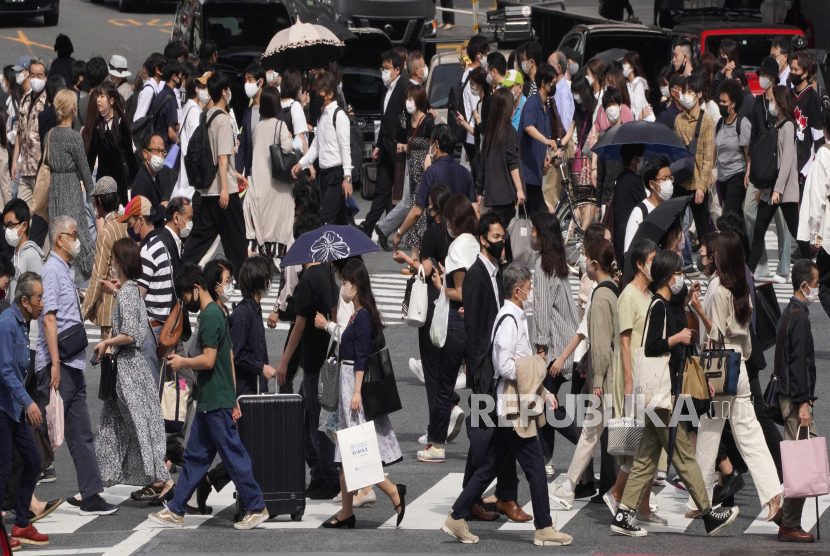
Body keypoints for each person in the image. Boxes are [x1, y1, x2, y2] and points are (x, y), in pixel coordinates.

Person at [610, 249, 739, 537]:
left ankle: (624, 515)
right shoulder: (657, 306)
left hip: (662, 396)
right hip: (660, 397)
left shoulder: (667, 303)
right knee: (682, 455)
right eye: (678, 273)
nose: (681, 276)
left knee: (644, 459)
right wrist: (676, 338)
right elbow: (652, 346)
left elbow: (677, 317)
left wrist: (688, 299)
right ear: (669, 278)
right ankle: (708, 514)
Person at [443, 262, 573, 547]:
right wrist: (536, 370)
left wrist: (542, 389)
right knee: (536, 466)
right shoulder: (510, 319)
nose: (531, 293)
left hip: (513, 405)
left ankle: (456, 515)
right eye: (528, 288)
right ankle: (544, 528)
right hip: (513, 409)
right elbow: (504, 367)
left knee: (490, 465)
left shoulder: (512, 316)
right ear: (517, 291)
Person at [149, 263, 269, 530]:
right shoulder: (214, 313)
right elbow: (228, 356)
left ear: (195, 288)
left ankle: (257, 505)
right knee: (195, 456)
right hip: (213, 397)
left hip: (215, 398)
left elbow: (211, 359)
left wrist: (183, 362)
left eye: (185, 296)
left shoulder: (211, 315)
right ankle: (177, 508)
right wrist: (234, 395)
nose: (185, 302)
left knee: (232, 453)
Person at [689, 231, 782, 517]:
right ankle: (773, 494)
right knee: (745, 434)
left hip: (719, 372)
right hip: (738, 367)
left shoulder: (719, 292)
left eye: (712, 253)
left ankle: (700, 500)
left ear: (720, 257)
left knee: (708, 434)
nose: (709, 257)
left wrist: (697, 310)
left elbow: (715, 337)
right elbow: (745, 339)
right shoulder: (741, 288)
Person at [36, 216, 118, 515]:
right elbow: (49, 318)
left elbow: (70, 314)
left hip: (72, 363)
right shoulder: (51, 272)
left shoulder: (65, 271)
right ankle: (15, 495)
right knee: (42, 436)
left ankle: (92, 494)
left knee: (80, 432)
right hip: (59, 366)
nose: (77, 239)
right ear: (59, 239)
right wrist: (55, 364)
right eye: (73, 234)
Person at [322, 259, 406, 527]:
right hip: (349, 383)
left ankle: (394, 491)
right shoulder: (359, 315)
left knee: (356, 452)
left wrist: (356, 392)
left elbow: (360, 359)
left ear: (355, 287)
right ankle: (347, 512)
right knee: (346, 453)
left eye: (345, 282)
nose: (343, 285)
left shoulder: (363, 318)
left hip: (352, 385)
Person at [91, 238, 174, 501]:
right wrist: (117, 290)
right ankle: (98, 480)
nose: (112, 263)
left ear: (120, 262)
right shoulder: (132, 289)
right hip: (133, 368)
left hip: (128, 369)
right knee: (124, 424)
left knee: (135, 424)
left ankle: (161, 477)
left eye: (114, 259)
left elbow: (130, 335)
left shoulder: (128, 292)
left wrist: (105, 342)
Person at [549, 235, 621, 510]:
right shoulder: (611, 288)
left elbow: (600, 343)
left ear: (593, 263)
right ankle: (571, 485)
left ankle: (623, 495)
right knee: (593, 433)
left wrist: (598, 380)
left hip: (608, 377)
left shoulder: (601, 294)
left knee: (616, 438)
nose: (581, 261)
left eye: (583, 256)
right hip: (613, 375)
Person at [274, 216, 340, 500]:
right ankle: (320, 474)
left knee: (316, 423)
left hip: (313, 364)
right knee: (311, 419)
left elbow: (299, 325)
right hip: (327, 357)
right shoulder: (328, 272)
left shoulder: (308, 279)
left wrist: (284, 363)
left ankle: (326, 477)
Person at [417, 196, 483, 464]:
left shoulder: (456, 247)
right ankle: (482, 441)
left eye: (446, 219)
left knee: (444, 385)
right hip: (477, 321)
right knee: (479, 386)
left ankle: (436, 444)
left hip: (457, 321)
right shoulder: (477, 244)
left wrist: (440, 284)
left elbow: (460, 291)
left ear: (453, 221)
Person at [608, 238, 658, 518]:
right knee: (637, 443)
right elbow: (625, 343)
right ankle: (618, 493)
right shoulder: (628, 295)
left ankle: (643, 503)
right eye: (652, 260)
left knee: (650, 441)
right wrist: (628, 382)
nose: (655, 264)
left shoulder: (650, 296)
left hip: (647, 375)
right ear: (639, 265)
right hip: (631, 376)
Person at [0, 272, 50, 550]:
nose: (42, 303)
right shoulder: (7, 324)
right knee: (4, 468)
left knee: (32, 460)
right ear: (24, 300)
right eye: (39, 298)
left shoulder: (23, 322)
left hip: (13, 406)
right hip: (3, 407)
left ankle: (21, 523)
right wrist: (28, 402)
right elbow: (5, 370)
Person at [182, 72, 248, 277]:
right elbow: (222, 158)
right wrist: (227, 189)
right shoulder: (223, 120)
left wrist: (235, 174)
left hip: (206, 191)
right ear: (224, 92)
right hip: (222, 192)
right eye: (227, 90)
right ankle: (244, 282)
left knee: (200, 239)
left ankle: (181, 271)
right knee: (237, 240)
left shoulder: (206, 115)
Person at [531, 212, 582, 467]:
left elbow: (541, 312)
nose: (530, 235)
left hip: (553, 352)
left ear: (542, 236)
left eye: (533, 231)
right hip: (569, 345)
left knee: (548, 405)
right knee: (546, 403)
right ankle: (545, 458)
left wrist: (540, 349)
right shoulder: (558, 263)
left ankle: (584, 443)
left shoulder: (542, 268)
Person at [774, 259, 819, 542]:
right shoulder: (800, 317)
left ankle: (787, 518)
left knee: (801, 459)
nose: (817, 289)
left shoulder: (789, 311)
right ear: (804, 285)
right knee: (804, 461)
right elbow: (799, 363)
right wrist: (804, 403)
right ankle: (789, 522)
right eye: (815, 284)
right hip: (795, 399)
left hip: (787, 395)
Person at [391, 124, 477, 251]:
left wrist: (399, 233)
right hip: (461, 235)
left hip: (438, 236)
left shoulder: (431, 172)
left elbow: (417, 211)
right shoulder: (465, 173)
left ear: (436, 144)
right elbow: (475, 209)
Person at [747, 86, 803, 276]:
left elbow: (787, 161)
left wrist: (778, 189)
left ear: (780, 102)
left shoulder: (788, 125)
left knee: (797, 233)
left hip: (784, 191)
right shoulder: (775, 124)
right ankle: (750, 271)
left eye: (772, 100)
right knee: (759, 230)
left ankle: (813, 266)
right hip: (770, 189)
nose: (770, 103)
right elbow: (772, 160)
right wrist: (763, 188)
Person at [746, 56, 791, 281]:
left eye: (764, 75)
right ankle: (755, 266)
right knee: (755, 219)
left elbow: (787, 159)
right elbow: (755, 137)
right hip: (766, 175)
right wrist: (754, 172)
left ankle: (786, 267)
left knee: (786, 224)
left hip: (781, 182)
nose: (761, 79)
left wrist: (778, 188)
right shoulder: (758, 103)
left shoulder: (785, 118)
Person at [46, 90, 96, 282]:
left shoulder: (49, 135)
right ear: (73, 110)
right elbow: (84, 170)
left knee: (58, 232)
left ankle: (60, 273)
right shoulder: (74, 137)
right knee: (78, 230)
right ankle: (81, 275)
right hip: (71, 188)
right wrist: (93, 200)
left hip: (55, 190)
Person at [292, 72, 353, 226]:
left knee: (325, 218)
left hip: (336, 174)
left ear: (330, 93)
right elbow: (316, 147)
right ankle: (354, 250)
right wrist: (302, 164)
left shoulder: (339, 115)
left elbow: (345, 147)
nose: (316, 95)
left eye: (320, 92)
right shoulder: (321, 116)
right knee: (340, 222)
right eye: (316, 91)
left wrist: (347, 178)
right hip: (323, 175)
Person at [360, 50, 408, 237]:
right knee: (383, 190)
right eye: (383, 68)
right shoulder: (385, 90)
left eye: (387, 68)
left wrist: (403, 141)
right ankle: (379, 229)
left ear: (397, 69)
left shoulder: (404, 87)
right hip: (386, 148)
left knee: (398, 194)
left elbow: (404, 117)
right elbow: (385, 120)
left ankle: (374, 227)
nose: (384, 72)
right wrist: (378, 145)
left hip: (398, 148)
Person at [247, 86, 295, 257]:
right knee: (281, 219)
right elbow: (287, 148)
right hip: (277, 183)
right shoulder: (280, 125)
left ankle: (264, 249)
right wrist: (289, 136)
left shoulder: (258, 127)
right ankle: (279, 252)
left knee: (264, 220)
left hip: (260, 180)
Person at [81, 177, 129, 341]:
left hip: (110, 308)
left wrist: (84, 310)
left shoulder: (105, 232)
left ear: (99, 201)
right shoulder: (124, 225)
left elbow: (98, 275)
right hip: (125, 300)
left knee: (108, 359)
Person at [389, 83, 435, 256]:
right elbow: (413, 146)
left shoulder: (428, 121)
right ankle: (416, 255)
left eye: (411, 98)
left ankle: (420, 254)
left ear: (418, 100)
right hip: (412, 172)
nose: (408, 102)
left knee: (419, 211)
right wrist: (404, 147)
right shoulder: (409, 121)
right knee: (414, 210)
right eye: (407, 98)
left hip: (425, 172)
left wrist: (430, 158)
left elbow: (434, 145)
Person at [83, 81, 138, 207]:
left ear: (111, 100)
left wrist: (136, 181)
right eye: (98, 96)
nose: (98, 100)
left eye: (102, 96)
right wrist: (84, 182)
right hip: (102, 183)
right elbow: (91, 156)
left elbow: (129, 155)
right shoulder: (98, 125)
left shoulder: (121, 123)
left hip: (119, 184)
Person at [797, 110, 830, 318]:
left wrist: (816, 236)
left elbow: (818, 197)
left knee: (825, 284)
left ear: (826, 129)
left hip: (828, 232)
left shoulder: (825, 155)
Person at [674, 74, 715, 240]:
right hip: (680, 180)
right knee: (676, 227)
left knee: (703, 228)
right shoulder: (678, 120)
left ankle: (710, 260)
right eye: (684, 91)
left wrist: (702, 187)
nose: (686, 95)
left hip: (697, 180)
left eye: (690, 91)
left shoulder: (707, 121)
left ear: (699, 95)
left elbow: (708, 157)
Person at [478, 87, 526, 225]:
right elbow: (513, 162)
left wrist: (479, 190)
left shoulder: (489, 133)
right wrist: (519, 190)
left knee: (497, 235)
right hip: (508, 194)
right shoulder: (509, 131)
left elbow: (483, 163)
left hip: (493, 194)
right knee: (510, 237)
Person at [230, 256, 276, 396]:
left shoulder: (255, 309)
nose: (269, 282)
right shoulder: (243, 313)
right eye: (267, 277)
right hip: (245, 390)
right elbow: (236, 355)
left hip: (256, 387)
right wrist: (261, 368)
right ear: (258, 279)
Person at [519, 64, 558, 216]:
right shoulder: (532, 104)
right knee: (540, 214)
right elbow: (528, 127)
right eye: (552, 83)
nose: (554, 87)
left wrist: (546, 153)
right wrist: (547, 142)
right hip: (527, 171)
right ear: (543, 82)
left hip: (536, 171)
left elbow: (544, 132)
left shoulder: (545, 108)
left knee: (534, 215)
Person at [11, 56, 47, 206]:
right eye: (32, 75)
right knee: (22, 211)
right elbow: (19, 132)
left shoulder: (48, 101)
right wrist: (14, 160)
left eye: (40, 75)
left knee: (40, 214)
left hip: (41, 169)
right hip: (25, 169)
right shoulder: (24, 100)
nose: (35, 79)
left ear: (46, 78)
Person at [789, 52, 825, 193]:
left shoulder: (812, 97)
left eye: (796, 69)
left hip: (806, 162)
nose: (792, 72)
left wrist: (819, 166)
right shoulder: (788, 94)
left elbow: (818, 134)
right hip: (790, 159)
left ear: (805, 73)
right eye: (791, 69)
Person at [715, 78, 751, 216]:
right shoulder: (719, 124)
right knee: (736, 216)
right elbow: (714, 150)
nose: (721, 105)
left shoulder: (742, 123)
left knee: (728, 216)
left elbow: (748, 154)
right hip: (722, 176)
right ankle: (745, 238)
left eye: (724, 102)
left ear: (734, 103)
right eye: (720, 101)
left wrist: (748, 172)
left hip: (737, 175)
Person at [623, 156, 672, 254]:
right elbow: (628, 252)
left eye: (670, 178)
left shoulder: (670, 209)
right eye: (664, 178)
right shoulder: (640, 212)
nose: (669, 183)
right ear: (651, 184)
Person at [171, 69, 202, 201]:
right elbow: (195, 141)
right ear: (197, 89)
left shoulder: (187, 107)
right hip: (190, 166)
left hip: (184, 161)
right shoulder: (195, 111)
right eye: (203, 87)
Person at [131, 134, 176, 222]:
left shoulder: (158, 176)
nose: (160, 155)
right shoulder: (141, 182)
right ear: (145, 153)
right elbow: (144, 217)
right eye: (156, 151)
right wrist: (162, 208)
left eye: (163, 152)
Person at [235, 63, 266, 180]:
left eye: (250, 79)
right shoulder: (247, 113)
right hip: (251, 171)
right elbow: (243, 145)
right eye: (245, 80)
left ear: (260, 82)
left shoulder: (271, 108)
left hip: (267, 170)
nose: (246, 84)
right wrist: (237, 172)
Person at [279, 69, 310, 158]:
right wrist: (309, 164)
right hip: (295, 158)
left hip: (281, 157)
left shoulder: (278, 104)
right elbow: (300, 137)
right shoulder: (295, 105)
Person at [133, 53, 165, 123]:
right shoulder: (149, 90)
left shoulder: (156, 87)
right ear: (157, 70)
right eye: (164, 67)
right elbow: (138, 118)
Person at [622, 52, 653, 122]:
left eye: (625, 63)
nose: (623, 66)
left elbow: (638, 108)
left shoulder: (638, 83)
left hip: (639, 123)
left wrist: (636, 119)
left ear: (631, 66)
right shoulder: (626, 84)